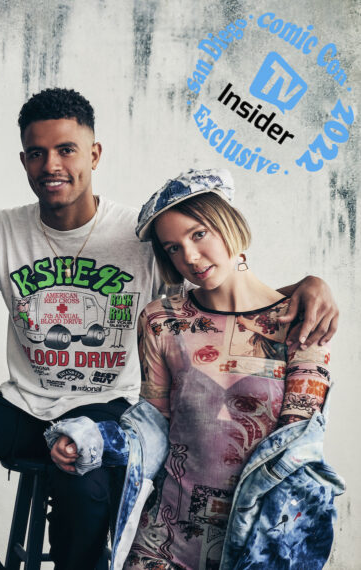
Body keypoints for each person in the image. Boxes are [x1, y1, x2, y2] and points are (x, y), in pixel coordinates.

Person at [0, 88, 340, 569]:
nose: (51, 164)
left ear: (94, 154)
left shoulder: (143, 235)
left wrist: (307, 285)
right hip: (22, 407)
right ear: (24, 161)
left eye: (66, 149)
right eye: (37, 153)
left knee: (85, 490)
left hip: (106, 409)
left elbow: (221, 300)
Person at [45, 169, 342, 569]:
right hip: (164, 541)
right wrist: (92, 439)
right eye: (173, 248)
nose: (190, 257)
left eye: (198, 234)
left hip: (257, 546)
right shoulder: (161, 321)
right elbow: (152, 425)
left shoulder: (304, 320)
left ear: (227, 223)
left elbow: (292, 452)